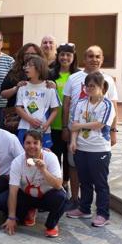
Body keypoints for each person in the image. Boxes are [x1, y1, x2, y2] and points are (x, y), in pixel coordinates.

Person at [62, 45, 118, 205]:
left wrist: (114, 130)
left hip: (97, 139)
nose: (94, 59)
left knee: (97, 175)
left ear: (101, 59)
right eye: (90, 56)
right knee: (75, 167)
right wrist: (67, 128)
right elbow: (66, 105)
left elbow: (114, 106)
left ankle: (100, 209)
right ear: (84, 59)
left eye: (97, 56)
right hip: (76, 135)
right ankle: (75, 199)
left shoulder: (108, 81)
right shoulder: (73, 78)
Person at [66, 72, 116, 227]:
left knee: (100, 183)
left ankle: (103, 214)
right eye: (87, 86)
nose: (89, 88)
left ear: (102, 87)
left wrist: (79, 126)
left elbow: (100, 124)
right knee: (85, 182)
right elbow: (74, 124)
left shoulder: (106, 105)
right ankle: (84, 208)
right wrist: (73, 141)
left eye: (93, 86)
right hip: (82, 148)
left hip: (99, 149)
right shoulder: (81, 103)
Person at [0, 129, 66, 238]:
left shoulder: (50, 157)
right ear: (23, 144)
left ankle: (51, 225)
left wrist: (44, 170)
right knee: (1, 201)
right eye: (28, 143)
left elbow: (58, 185)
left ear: (41, 144)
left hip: (45, 196)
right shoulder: (17, 162)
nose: (32, 146)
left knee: (61, 197)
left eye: (35, 143)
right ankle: (28, 211)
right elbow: (13, 190)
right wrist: (11, 217)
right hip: (27, 196)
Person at [49, 43, 79, 192]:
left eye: (68, 55)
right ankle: (55, 184)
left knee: (69, 159)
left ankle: (66, 184)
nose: (65, 57)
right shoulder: (50, 74)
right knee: (54, 156)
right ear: (58, 56)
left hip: (71, 125)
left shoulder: (78, 76)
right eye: (62, 54)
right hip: (52, 123)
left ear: (73, 57)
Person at [15, 55, 60, 148]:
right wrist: (30, 120)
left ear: (39, 68)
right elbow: (18, 107)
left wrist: (47, 124)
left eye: (29, 65)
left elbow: (55, 109)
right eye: (25, 66)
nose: (26, 68)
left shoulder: (49, 88)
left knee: (42, 156)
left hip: (43, 129)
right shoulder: (22, 87)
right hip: (24, 127)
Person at [0, 43, 43, 133]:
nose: (30, 56)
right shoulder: (14, 72)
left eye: (34, 54)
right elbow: (3, 94)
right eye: (27, 54)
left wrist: (51, 84)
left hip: (37, 117)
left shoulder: (44, 73)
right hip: (15, 118)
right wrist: (16, 88)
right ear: (22, 56)